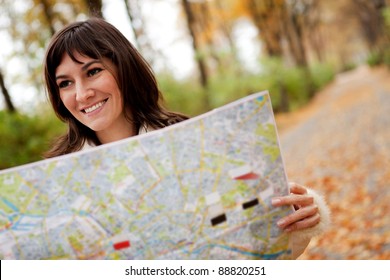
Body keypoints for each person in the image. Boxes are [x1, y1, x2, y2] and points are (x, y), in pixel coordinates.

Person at [43, 17, 330, 259]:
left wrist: (300, 221)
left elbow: (248, 247)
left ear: (124, 69)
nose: (81, 94)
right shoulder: (54, 177)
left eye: (92, 71)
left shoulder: (194, 140)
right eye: (65, 83)